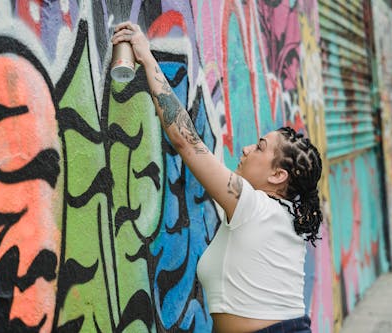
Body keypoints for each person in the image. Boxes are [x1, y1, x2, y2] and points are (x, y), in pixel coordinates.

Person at [112, 22, 323, 333]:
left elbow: (187, 142)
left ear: (278, 175)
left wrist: (145, 55)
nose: (248, 148)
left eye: (260, 147)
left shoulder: (254, 207)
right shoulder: (282, 215)